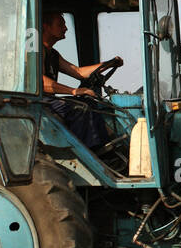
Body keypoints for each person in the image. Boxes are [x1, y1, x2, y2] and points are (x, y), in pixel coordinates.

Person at [41, 11, 123, 152]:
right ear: (46, 27)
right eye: (60, 24)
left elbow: (78, 72)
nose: (65, 28)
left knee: (92, 103)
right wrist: (73, 91)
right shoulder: (35, 50)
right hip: (39, 102)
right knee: (80, 108)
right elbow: (39, 82)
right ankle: (88, 152)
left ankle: (106, 149)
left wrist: (108, 64)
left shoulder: (53, 54)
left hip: (50, 101)